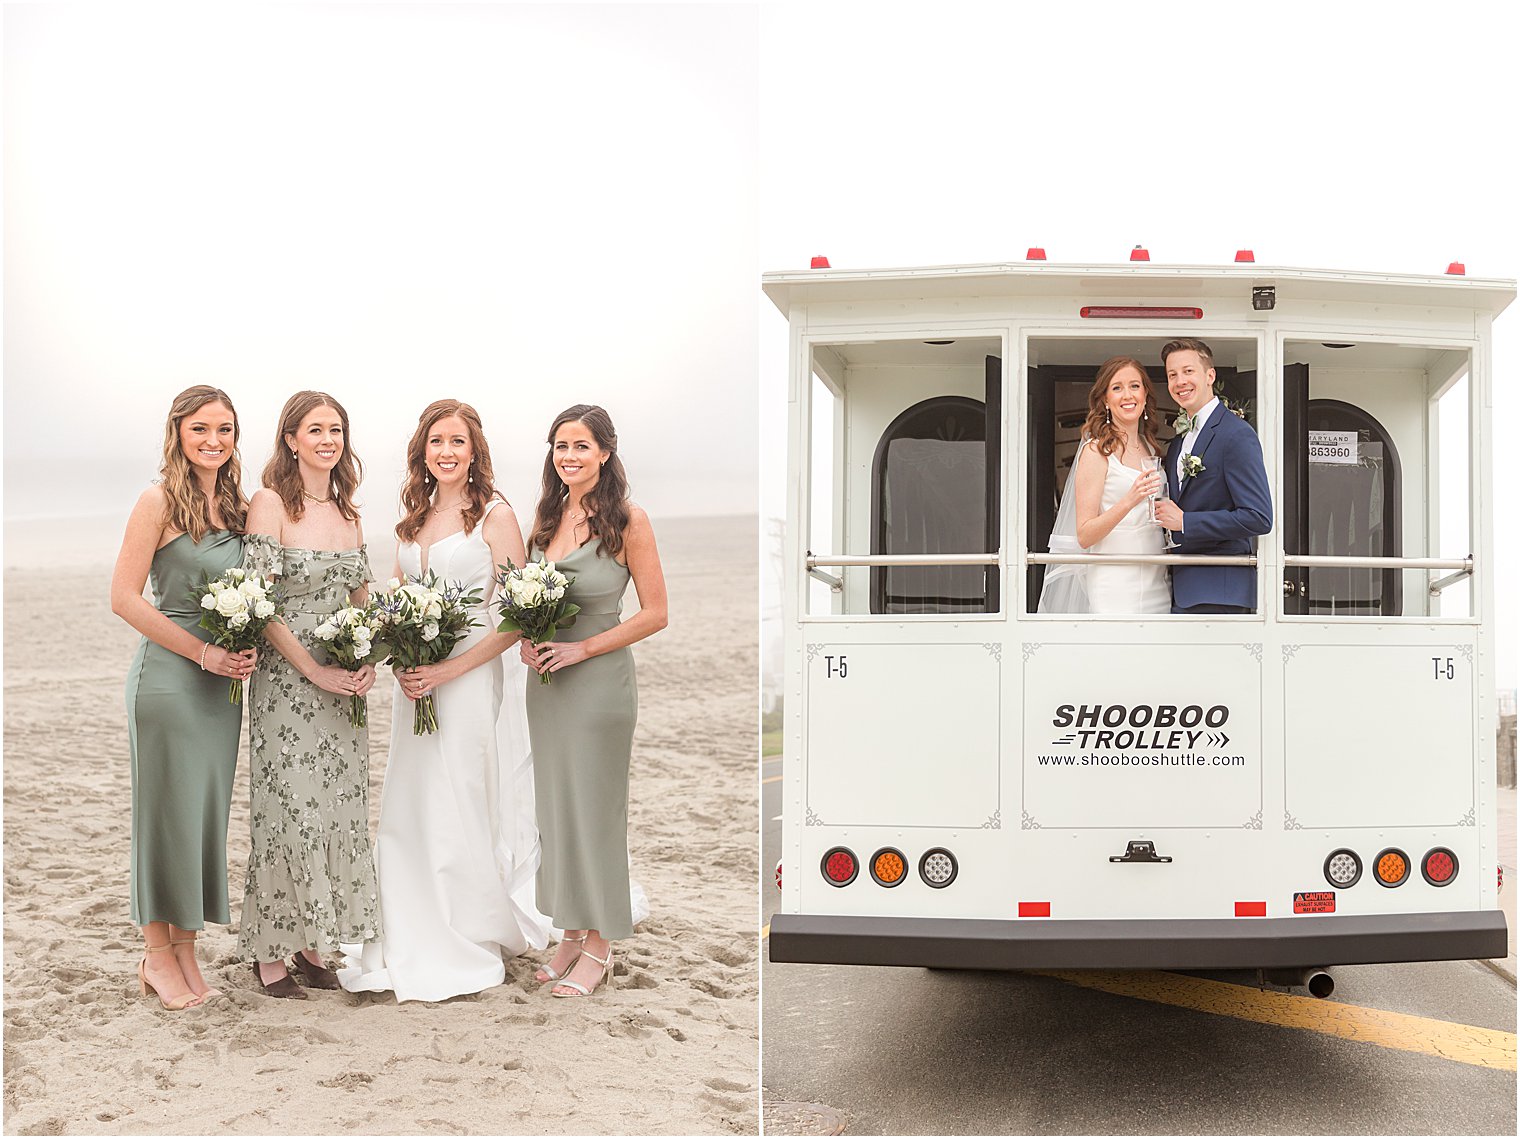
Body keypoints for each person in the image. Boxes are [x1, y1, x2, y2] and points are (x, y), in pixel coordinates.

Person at [338, 400, 553, 1002]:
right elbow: (397, 597)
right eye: (437, 441)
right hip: (415, 682)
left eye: (458, 441)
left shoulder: (496, 516)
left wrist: (448, 670)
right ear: (422, 451)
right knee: (409, 791)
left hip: (468, 676)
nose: (447, 451)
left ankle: (462, 924)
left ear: (474, 450)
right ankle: (405, 922)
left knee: (458, 790)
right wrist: (399, 654)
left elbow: (518, 617)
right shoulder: (413, 519)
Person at [111, 386, 258, 1010]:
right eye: (201, 429)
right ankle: (155, 954)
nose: (214, 440)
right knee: (161, 816)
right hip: (170, 680)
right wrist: (202, 653)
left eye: (225, 430)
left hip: (221, 690)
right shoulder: (157, 500)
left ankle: (187, 950)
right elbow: (124, 598)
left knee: (201, 817)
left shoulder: (238, 505)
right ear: (178, 432)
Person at [521, 404, 668, 998]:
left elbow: (656, 613)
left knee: (597, 812)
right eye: (560, 446)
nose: (568, 457)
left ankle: (601, 945)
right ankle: (570, 931)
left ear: (605, 453)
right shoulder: (546, 517)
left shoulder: (629, 520)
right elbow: (530, 598)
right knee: (557, 810)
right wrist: (533, 641)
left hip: (599, 681)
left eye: (581, 446)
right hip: (547, 684)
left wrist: (582, 652)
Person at [238, 391, 380, 999]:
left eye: (337, 429)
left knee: (334, 809)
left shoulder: (350, 513)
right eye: (315, 429)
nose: (328, 439)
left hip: (340, 685)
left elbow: (361, 601)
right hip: (286, 682)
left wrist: (367, 657)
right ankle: (270, 951)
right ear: (290, 439)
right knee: (288, 810)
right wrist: (313, 671)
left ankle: (313, 943)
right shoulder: (270, 503)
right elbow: (259, 603)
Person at [1037, 357, 1169, 614]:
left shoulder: (1150, 446)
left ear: (1145, 396)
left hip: (1158, 579)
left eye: (1134, 386)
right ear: (1105, 400)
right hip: (1115, 583)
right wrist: (1129, 500)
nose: (1127, 395)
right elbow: (1085, 535)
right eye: (1117, 388)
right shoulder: (1096, 452)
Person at [1155, 338, 1273, 613]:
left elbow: (1259, 517)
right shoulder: (1178, 443)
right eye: (1172, 375)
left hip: (1221, 591)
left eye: (1188, 371)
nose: (1179, 381)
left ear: (1210, 376)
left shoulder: (1236, 434)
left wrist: (1185, 521)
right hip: (1180, 587)